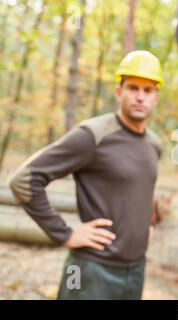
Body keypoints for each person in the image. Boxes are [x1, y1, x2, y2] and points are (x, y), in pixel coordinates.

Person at [8, 50, 163, 300]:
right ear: (118, 92)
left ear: (156, 97)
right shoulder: (93, 136)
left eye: (148, 90)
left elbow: (140, 189)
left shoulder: (154, 144)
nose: (140, 97)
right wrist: (65, 233)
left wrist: (148, 224)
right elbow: (24, 180)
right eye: (133, 88)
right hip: (87, 268)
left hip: (135, 270)